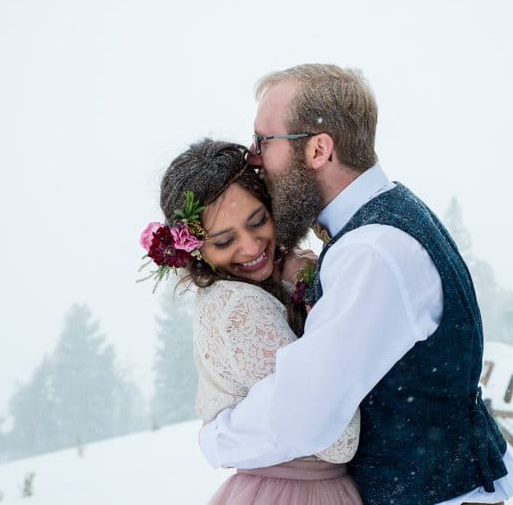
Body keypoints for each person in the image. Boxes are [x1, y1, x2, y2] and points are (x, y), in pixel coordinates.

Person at [198, 65, 513, 504]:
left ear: (318, 149)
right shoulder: (386, 219)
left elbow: (308, 408)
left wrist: (218, 438)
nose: (253, 157)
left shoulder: (371, 251)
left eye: (263, 141)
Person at [145, 139, 362, 504]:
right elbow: (340, 440)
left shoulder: (264, 285)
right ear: (195, 250)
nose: (249, 247)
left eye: (258, 220)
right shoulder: (239, 307)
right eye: (225, 240)